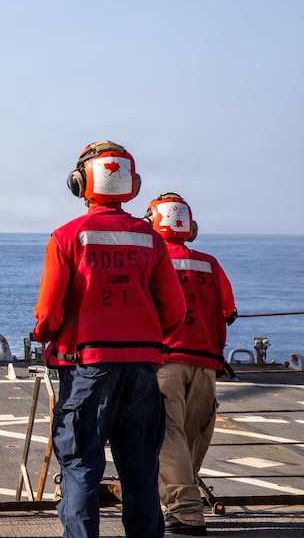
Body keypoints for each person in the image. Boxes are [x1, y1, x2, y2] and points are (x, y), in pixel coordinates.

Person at [33, 141, 187, 538]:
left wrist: (45, 335)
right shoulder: (151, 239)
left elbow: (48, 313)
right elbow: (174, 310)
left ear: (80, 182)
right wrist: (149, 340)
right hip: (142, 367)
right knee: (140, 471)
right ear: (130, 184)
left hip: (86, 367)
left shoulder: (68, 236)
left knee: (81, 465)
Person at [144, 193, 236, 536]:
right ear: (191, 228)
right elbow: (228, 311)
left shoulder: (151, 260)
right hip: (207, 364)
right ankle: (180, 500)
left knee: (168, 437)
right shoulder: (209, 264)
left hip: (164, 362)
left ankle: (185, 513)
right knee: (194, 437)